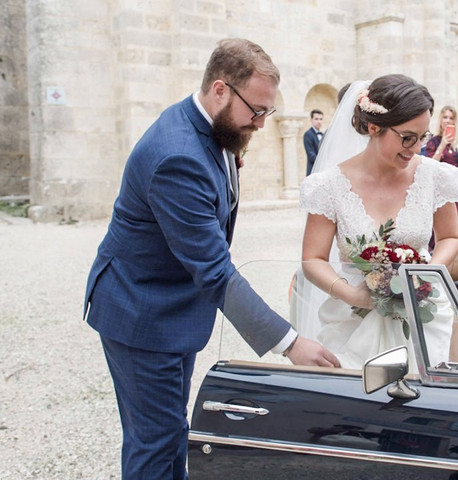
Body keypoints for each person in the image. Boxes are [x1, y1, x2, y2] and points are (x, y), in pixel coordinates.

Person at [83, 39, 339, 479]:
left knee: (167, 431)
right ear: (220, 90)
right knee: (156, 440)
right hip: (142, 311)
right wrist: (290, 343)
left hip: (171, 306)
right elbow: (215, 269)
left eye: (267, 112)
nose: (260, 123)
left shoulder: (210, 126)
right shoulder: (177, 156)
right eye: (255, 110)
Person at [300, 75, 458, 369]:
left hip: (421, 315)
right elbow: (312, 259)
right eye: (407, 137)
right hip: (351, 321)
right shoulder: (328, 186)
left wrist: (427, 272)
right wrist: (354, 295)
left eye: (422, 137)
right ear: (374, 127)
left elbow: (450, 237)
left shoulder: (436, 177)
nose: (415, 148)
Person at [425, 105, 458, 240]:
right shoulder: (434, 141)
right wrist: (442, 144)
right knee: (445, 227)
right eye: (445, 117)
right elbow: (430, 164)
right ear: (441, 120)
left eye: (451, 118)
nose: (448, 121)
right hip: (442, 190)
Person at [303, 109, 324, 175]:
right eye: (316, 119)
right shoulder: (308, 134)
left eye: (321, 119)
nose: (319, 121)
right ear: (311, 120)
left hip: (323, 171)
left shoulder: (323, 135)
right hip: (313, 171)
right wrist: (324, 162)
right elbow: (311, 154)